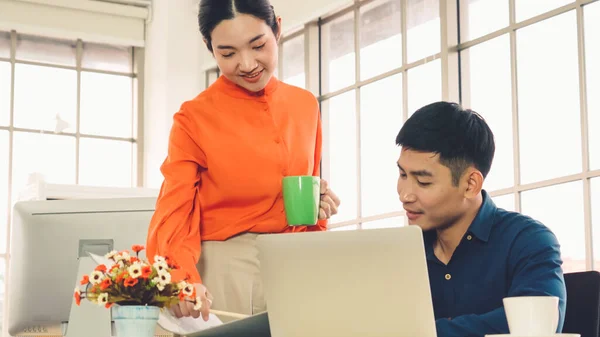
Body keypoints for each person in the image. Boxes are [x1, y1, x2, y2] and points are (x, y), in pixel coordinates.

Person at [146, 0, 340, 322]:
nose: (247, 63)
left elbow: (311, 182)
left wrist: (321, 208)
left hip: (296, 265)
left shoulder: (305, 105)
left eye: (258, 45)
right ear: (210, 49)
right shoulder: (193, 118)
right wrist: (178, 276)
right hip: (227, 272)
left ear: (277, 28)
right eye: (228, 53)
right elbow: (175, 208)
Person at [395, 101, 566, 336]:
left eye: (423, 182)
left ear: (470, 184)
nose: (405, 195)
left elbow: (536, 324)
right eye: (402, 174)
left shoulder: (528, 241)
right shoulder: (401, 252)